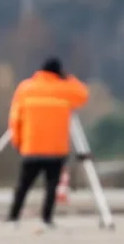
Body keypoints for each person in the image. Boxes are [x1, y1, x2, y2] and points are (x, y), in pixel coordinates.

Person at [6, 57, 88, 228]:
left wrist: (18, 142)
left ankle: (13, 217)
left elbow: (15, 118)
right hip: (56, 148)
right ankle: (46, 219)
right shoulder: (64, 89)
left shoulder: (26, 88)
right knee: (51, 187)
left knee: (23, 185)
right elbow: (83, 95)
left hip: (32, 146)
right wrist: (69, 78)